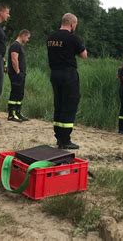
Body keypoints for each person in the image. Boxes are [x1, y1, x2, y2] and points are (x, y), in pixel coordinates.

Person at [47, 13, 88, 149]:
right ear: (72, 23)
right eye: (75, 24)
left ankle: (59, 136)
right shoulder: (73, 38)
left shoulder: (51, 37)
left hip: (54, 73)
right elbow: (84, 55)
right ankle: (65, 140)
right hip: (68, 74)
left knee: (58, 104)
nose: (75, 26)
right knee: (69, 105)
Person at [7, 29, 31, 122]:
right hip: (16, 74)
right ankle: (11, 114)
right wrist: (17, 72)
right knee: (15, 92)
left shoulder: (20, 46)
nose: (28, 40)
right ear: (23, 35)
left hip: (21, 74)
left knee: (20, 93)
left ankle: (17, 112)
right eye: (28, 38)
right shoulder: (15, 45)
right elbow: (14, 59)